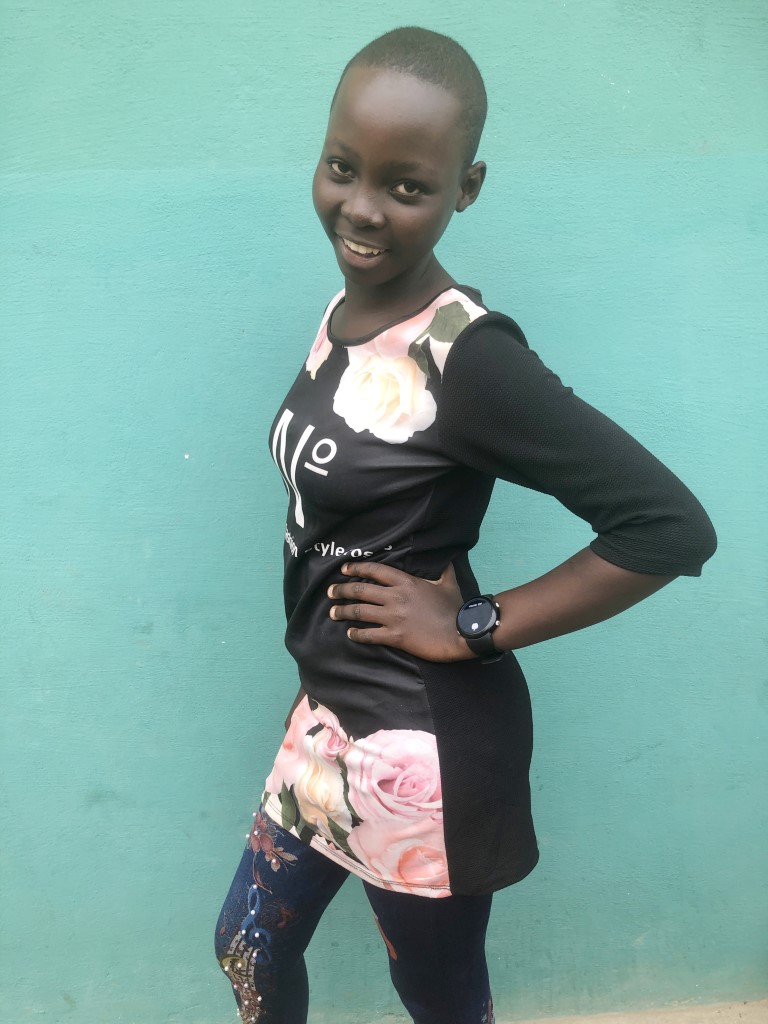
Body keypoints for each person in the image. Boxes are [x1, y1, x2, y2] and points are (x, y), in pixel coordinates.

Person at [214, 26, 717, 1024]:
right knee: (247, 947)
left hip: (420, 751)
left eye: (406, 186)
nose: (362, 207)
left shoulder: (467, 357)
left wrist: (473, 624)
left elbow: (668, 526)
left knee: (441, 999)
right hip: (329, 719)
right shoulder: (346, 307)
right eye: (343, 168)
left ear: (466, 187)